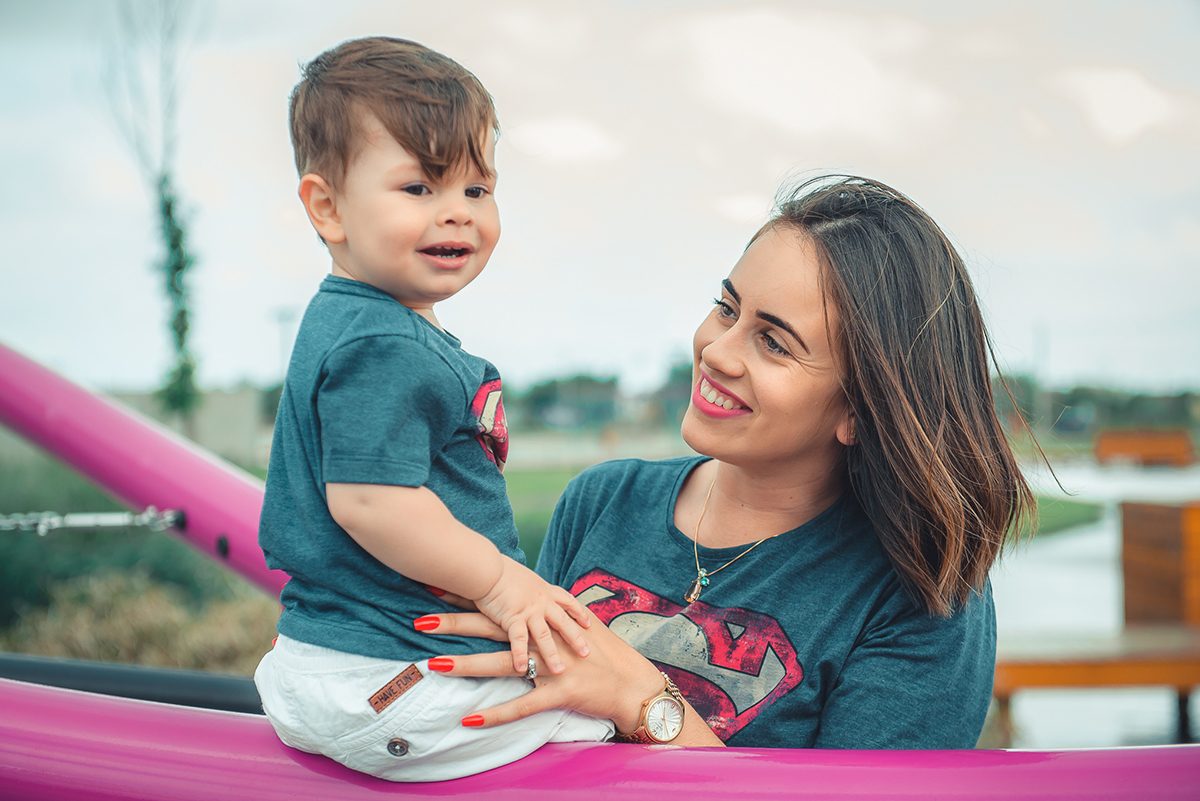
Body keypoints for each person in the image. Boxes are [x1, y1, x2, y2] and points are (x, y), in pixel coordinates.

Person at [421, 175, 1035, 749]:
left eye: (773, 342)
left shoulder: (919, 595)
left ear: (861, 408)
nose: (717, 351)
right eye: (726, 308)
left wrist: (639, 697)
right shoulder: (601, 501)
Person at [252, 36, 613, 782]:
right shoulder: (384, 341)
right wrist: (503, 583)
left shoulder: (353, 319)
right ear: (328, 207)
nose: (456, 215)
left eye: (476, 190)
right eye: (420, 188)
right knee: (607, 720)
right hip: (397, 678)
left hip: (334, 663)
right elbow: (370, 501)